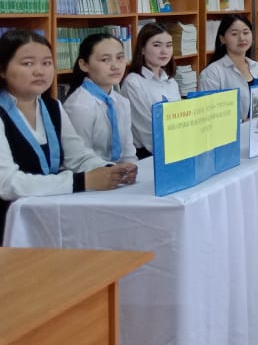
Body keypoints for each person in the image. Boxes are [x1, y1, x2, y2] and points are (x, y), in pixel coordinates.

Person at [0, 30, 136, 228]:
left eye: (47, 63)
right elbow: (6, 183)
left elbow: (78, 157)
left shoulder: (52, 107)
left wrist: (110, 170)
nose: (40, 71)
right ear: (3, 69)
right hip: (9, 222)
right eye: (28, 63)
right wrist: (81, 181)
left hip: (47, 213)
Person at [63, 33, 137, 164]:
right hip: (91, 173)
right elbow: (80, 159)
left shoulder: (122, 102)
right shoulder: (79, 106)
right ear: (84, 65)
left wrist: (132, 167)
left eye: (120, 57)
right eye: (105, 60)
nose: (115, 66)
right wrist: (112, 171)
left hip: (119, 172)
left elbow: (128, 152)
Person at [121, 22, 182, 158]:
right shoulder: (133, 83)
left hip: (176, 148)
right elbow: (148, 130)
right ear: (142, 49)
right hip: (150, 154)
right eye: (157, 45)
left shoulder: (171, 82)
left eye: (169, 45)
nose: (164, 51)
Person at [198, 14, 258, 122]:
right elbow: (207, 116)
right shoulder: (211, 74)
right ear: (222, 39)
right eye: (234, 34)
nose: (242, 38)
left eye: (246, 32)